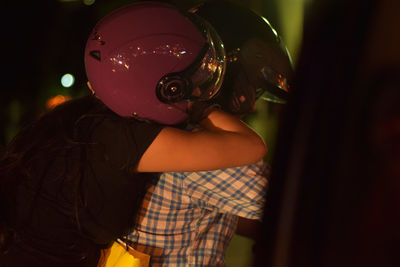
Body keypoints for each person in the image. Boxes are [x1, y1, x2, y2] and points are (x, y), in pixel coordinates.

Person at [0, 2, 267, 267]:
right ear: (167, 87)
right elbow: (250, 147)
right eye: (191, 81)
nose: (199, 90)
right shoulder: (131, 140)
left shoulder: (79, 122)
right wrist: (197, 106)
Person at [124, 1, 294, 266]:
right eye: (250, 87)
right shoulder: (199, 147)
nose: (252, 104)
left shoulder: (161, 126)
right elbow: (295, 204)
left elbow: (225, 208)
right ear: (225, 74)